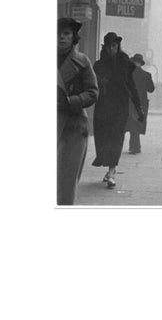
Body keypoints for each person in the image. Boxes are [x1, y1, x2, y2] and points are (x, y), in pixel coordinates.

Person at [92, 32, 144, 188]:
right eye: (109, 46)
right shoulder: (98, 65)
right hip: (102, 107)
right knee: (103, 138)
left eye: (114, 46)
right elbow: (91, 86)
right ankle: (109, 169)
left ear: (118, 46)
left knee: (116, 138)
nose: (112, 49)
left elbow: (131, 86)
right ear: (105, 47)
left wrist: (138, 107)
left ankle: (112, 171)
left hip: (119, 107)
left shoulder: (125, 64)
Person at [57, 17, 98, 205]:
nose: (61, 38)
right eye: (58, 34)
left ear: (73, 37)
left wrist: (71, 101)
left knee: (66, 180)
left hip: (72, 126)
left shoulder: (82, 61)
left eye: (66, 34)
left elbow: (93, 92)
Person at [125, 54, 155, 154]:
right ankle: (135, 146)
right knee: (137, 123)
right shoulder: (146, 75)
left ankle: (134, 146)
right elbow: (151, 89)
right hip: (141, 102)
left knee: (132, 123)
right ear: (141, 63)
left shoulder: (127, 74)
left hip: (130, 102)